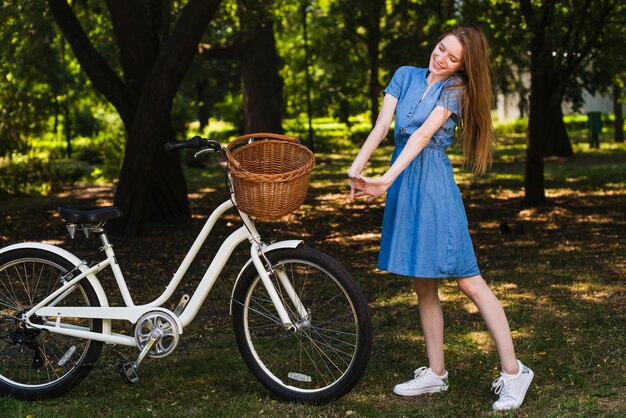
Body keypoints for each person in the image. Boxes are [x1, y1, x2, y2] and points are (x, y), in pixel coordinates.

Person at [348, 25, 533, 411]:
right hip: (404, 182)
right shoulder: (405, 75)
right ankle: (436, 372)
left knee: (469, 281)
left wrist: (383, 180)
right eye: (441, 48)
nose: (442, 58)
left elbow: (420, 137)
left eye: (453, 58)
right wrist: (358, 167)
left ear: (464, 66)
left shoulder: (456, 89)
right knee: (423, 283)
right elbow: (383, 127)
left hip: (432, 185)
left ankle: (515, 372)